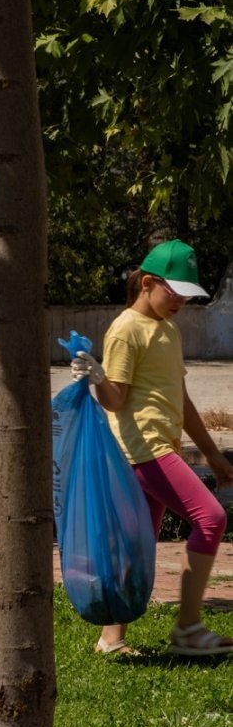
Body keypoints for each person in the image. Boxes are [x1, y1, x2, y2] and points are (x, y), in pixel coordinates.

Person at [71, 238, 233, 657]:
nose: (180, 300)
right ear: (147, 282)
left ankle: (111, 638)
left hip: (160, 446)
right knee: (211, 517)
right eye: (174, 290)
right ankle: (188, 629)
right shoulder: (126, 329)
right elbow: (116, 400)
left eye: (187, 294)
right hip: (143, 449)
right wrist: (95, 377)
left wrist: (212, 454)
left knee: (138, 541)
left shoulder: (167, 329)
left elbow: (180, 398)